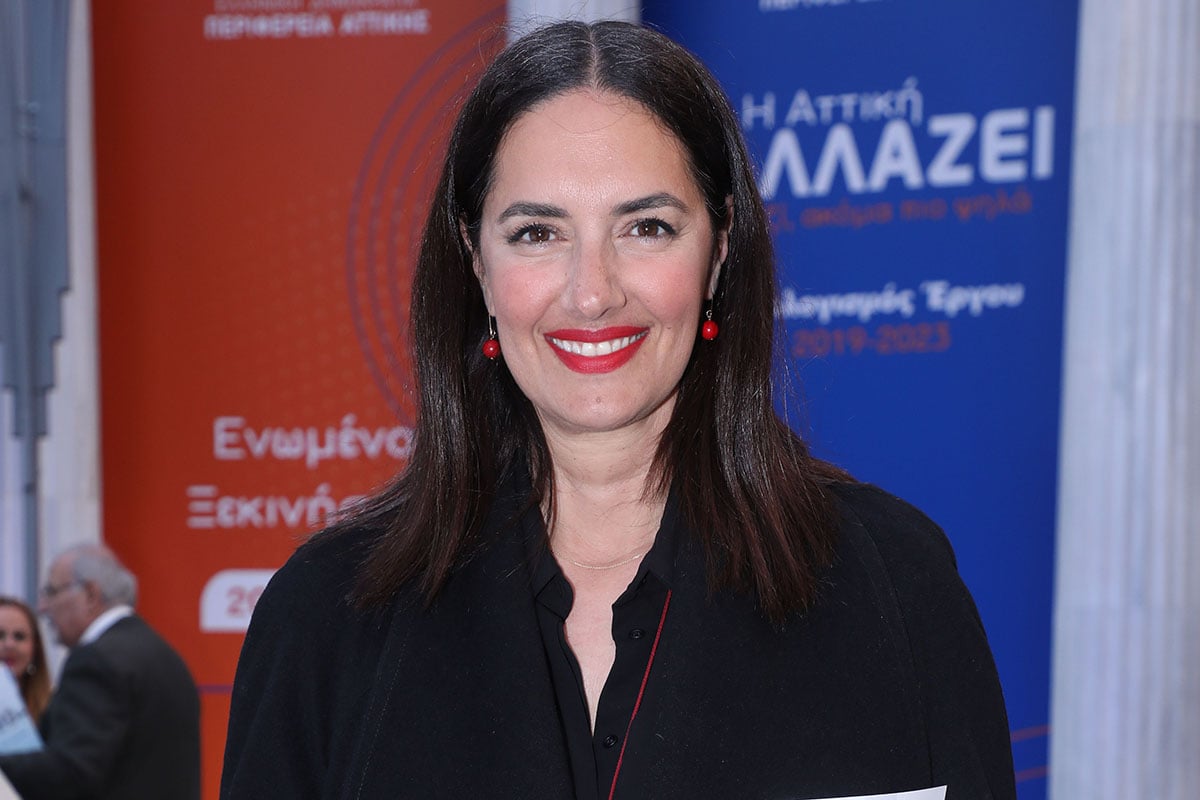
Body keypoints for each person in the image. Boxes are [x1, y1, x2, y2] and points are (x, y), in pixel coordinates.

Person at [221, 20, 1016, 800]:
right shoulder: (326, 617)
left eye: (646, 227)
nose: (592, 292)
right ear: (476, 261)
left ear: (719, 250)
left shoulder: (893, 585)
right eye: (537, 233)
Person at [0, 545, 201, 800]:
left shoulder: (96, 661)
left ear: (90, 594)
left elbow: (71, 771)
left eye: (51, 592)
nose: (42, 607)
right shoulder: (167, 657)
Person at [0, 597, 51, 723]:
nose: (9, 645)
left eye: (19, 636)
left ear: (35, 648)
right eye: (0, 635)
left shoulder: (54, 710)